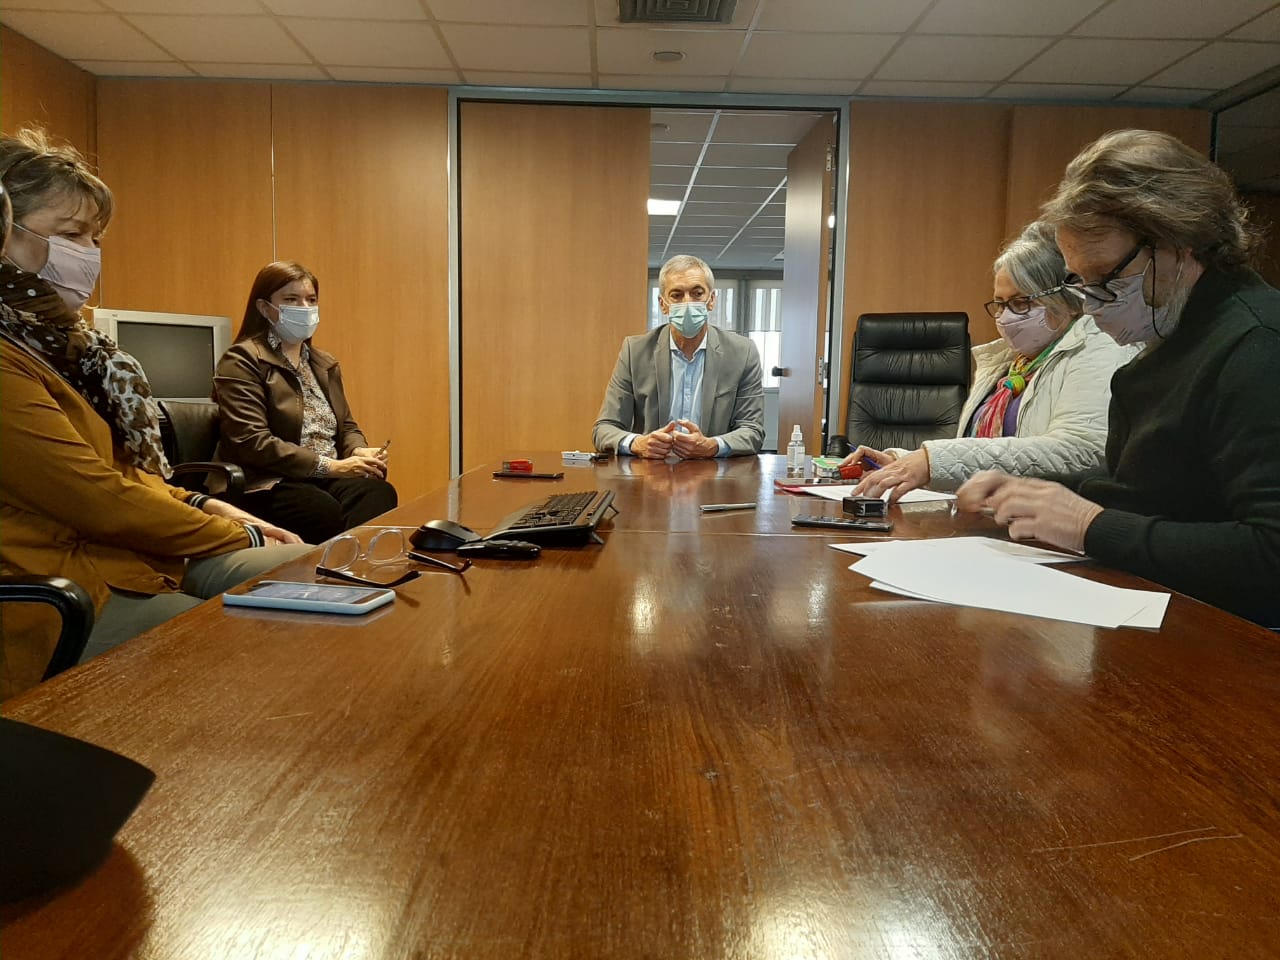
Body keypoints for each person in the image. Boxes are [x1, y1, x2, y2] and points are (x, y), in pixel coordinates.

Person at [0, 129, 310, 699]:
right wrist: (238, 529)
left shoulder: (68, 350)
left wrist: (201, 501)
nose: (88, 255)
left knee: (313, 573)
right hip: (62, 588)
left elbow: (123, 477)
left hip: (131, 556)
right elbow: (95, 497)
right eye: (70, 235)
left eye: (94, 238)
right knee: (266, 648)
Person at [957, 129, 1280, 627]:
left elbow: (1269, 553)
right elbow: (1156, 500)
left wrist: (1089, 524)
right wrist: (1040, 497)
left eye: (1107, 278)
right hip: (1156, 621)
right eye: (1079, 281)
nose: (1091, 303)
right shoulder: (1168, 343)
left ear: (1180, 242)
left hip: (1235, 651)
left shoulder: (1257, 346)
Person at [845, 221, 1139, 500]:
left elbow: (1081, 450)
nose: (1006, 316)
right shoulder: (1005, 362)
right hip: (989, 521)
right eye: (1000, 304)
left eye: (1021, 302)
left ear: (1066, 298)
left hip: (1051, 531)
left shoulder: (1100, 347)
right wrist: (901, 461)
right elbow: (978, 449)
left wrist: (931, 461)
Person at [214, 261, 397, 545]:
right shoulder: (242, 360)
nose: (304, 307)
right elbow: (252, 441)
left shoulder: (324, 364)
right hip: (268, 480)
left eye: (311, 300)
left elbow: (345, 425)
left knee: (377, 492)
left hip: (325, 478)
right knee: (319, 510)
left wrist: (360, 451)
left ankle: (350, 572)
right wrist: (330, 467)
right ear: (264, 308)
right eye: (290, 300)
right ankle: (325, 575)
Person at [593, 254, 764, 459]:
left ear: (711, 300)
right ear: (663, 303)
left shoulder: (742, 352)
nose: (687, 302)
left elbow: (753, 430)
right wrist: (638, 443)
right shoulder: (635, 351)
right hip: (650, 477)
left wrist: (713, 445)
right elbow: (604, 429)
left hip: (714, 477)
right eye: (676, 295)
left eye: (697, 293)